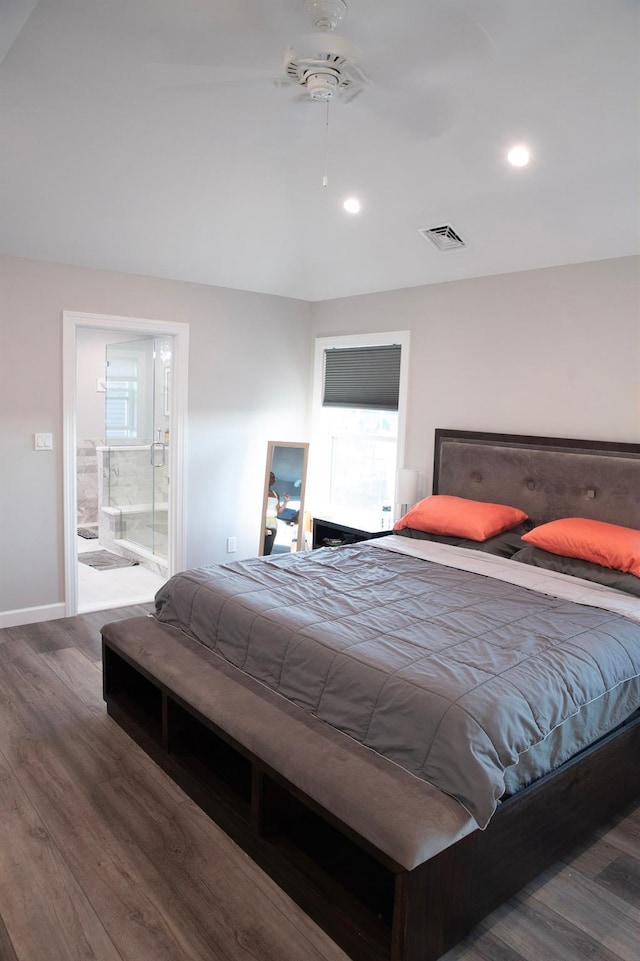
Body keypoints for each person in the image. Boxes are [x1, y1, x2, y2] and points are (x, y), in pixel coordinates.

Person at [264, 471, 290, 555]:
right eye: (272, 477)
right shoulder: (261, 491)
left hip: (273, 523)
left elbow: (278, 511)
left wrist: (286, 502)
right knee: (261, 548)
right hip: (264, 521)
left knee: (268, 549)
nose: (273, 480)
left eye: (274, 478)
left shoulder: (275, 494)